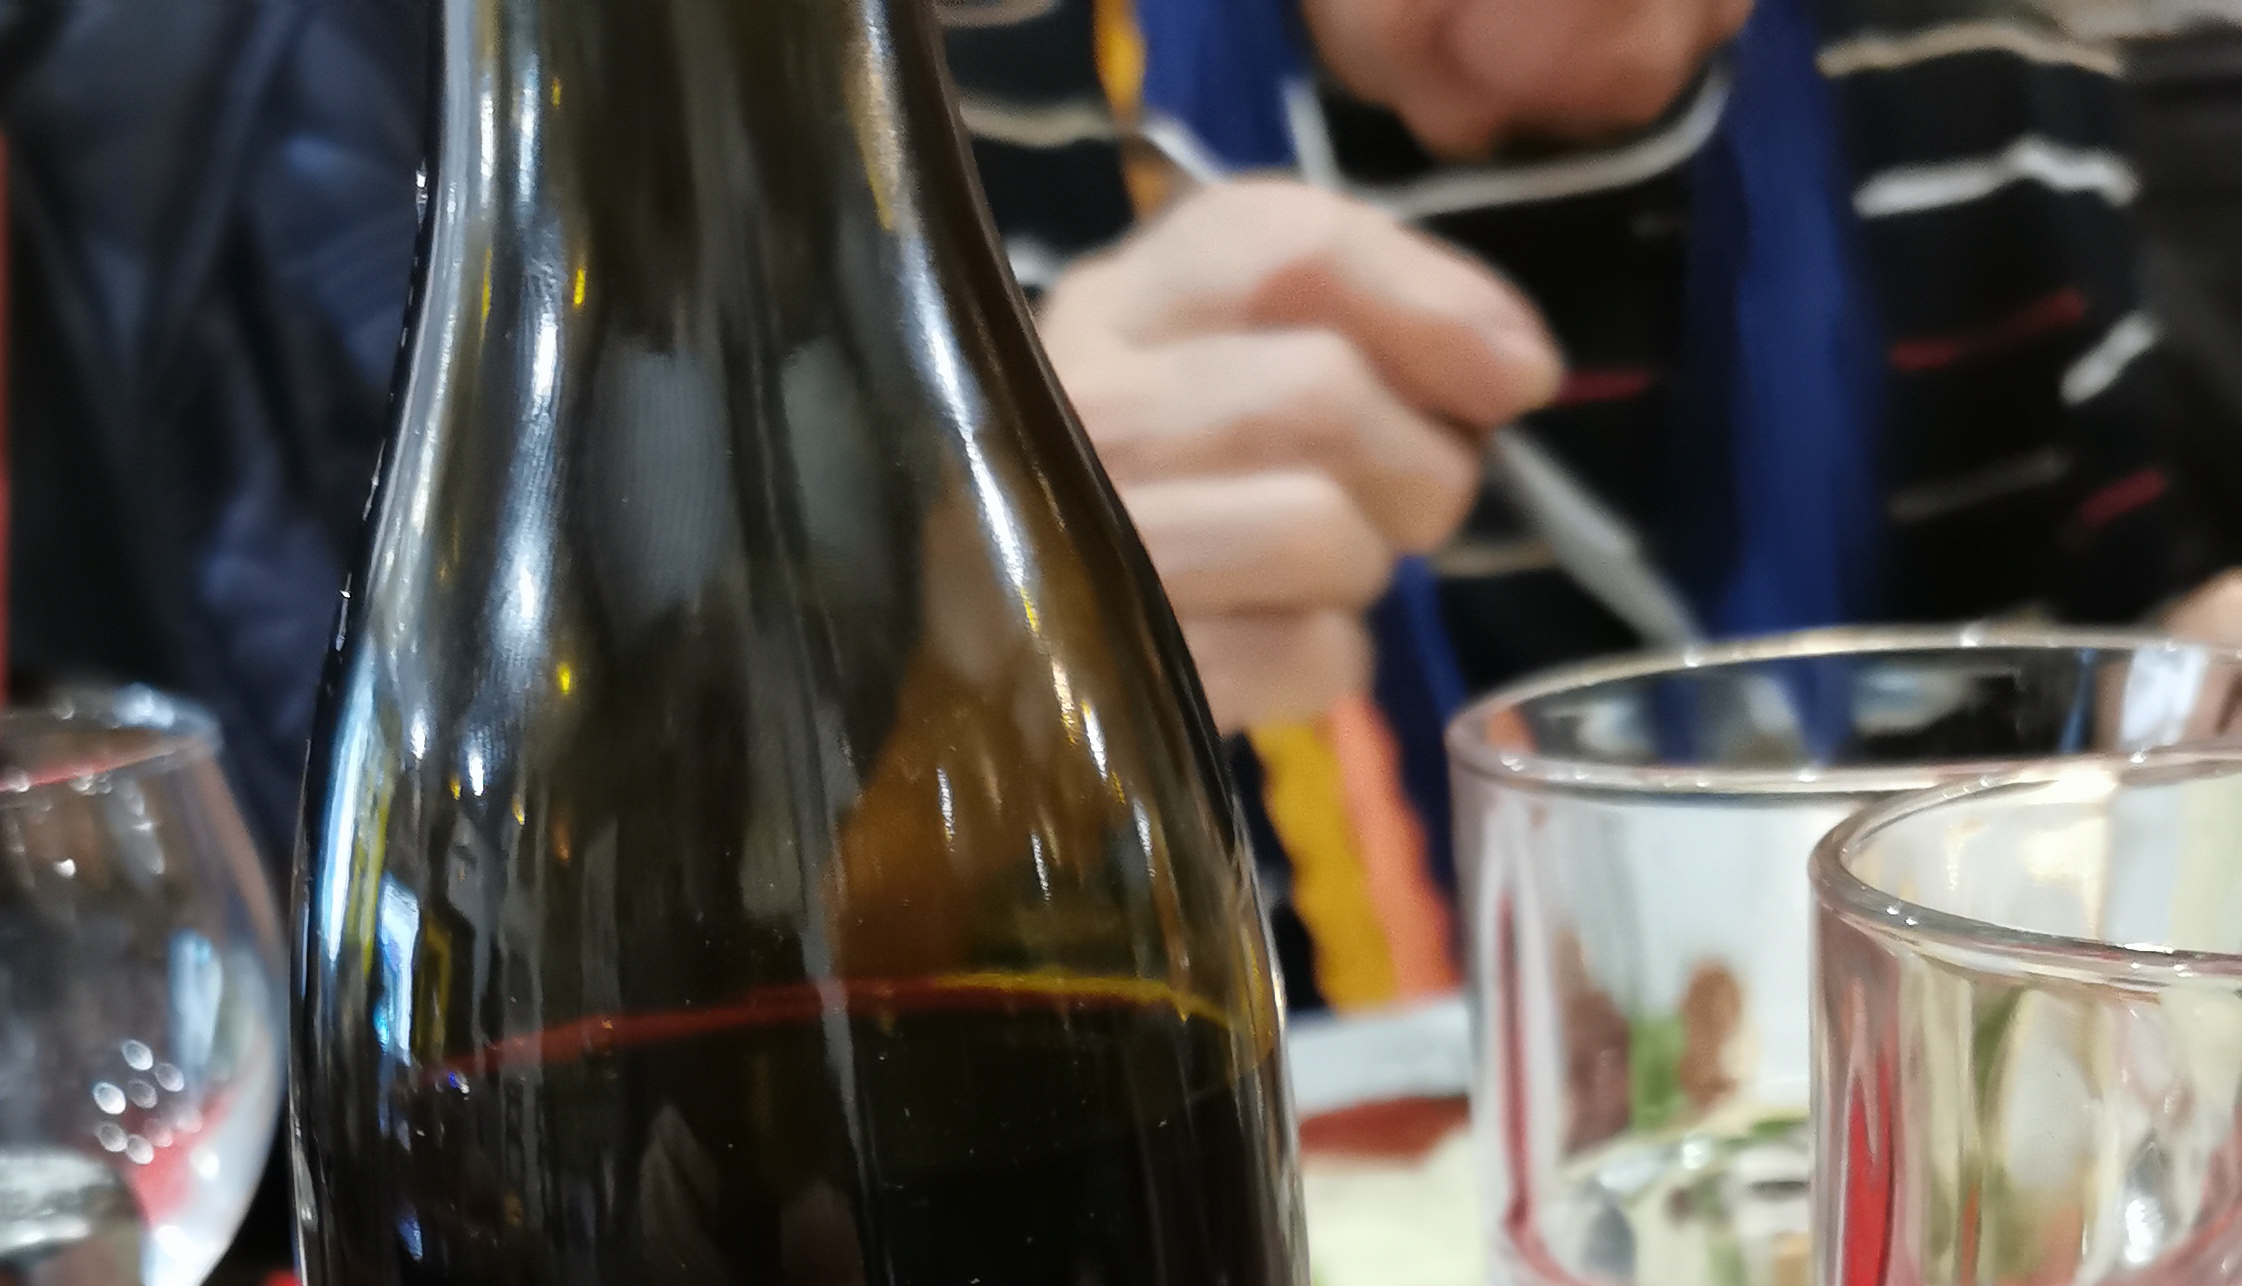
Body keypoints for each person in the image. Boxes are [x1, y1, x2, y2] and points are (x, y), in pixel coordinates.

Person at [948, 0, 2237, 994]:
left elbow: (2135, 670)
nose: (1609, 38)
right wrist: (961, 672)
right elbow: (868, 952)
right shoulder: (938, 132)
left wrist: (2203, 684)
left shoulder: (1980, 86)